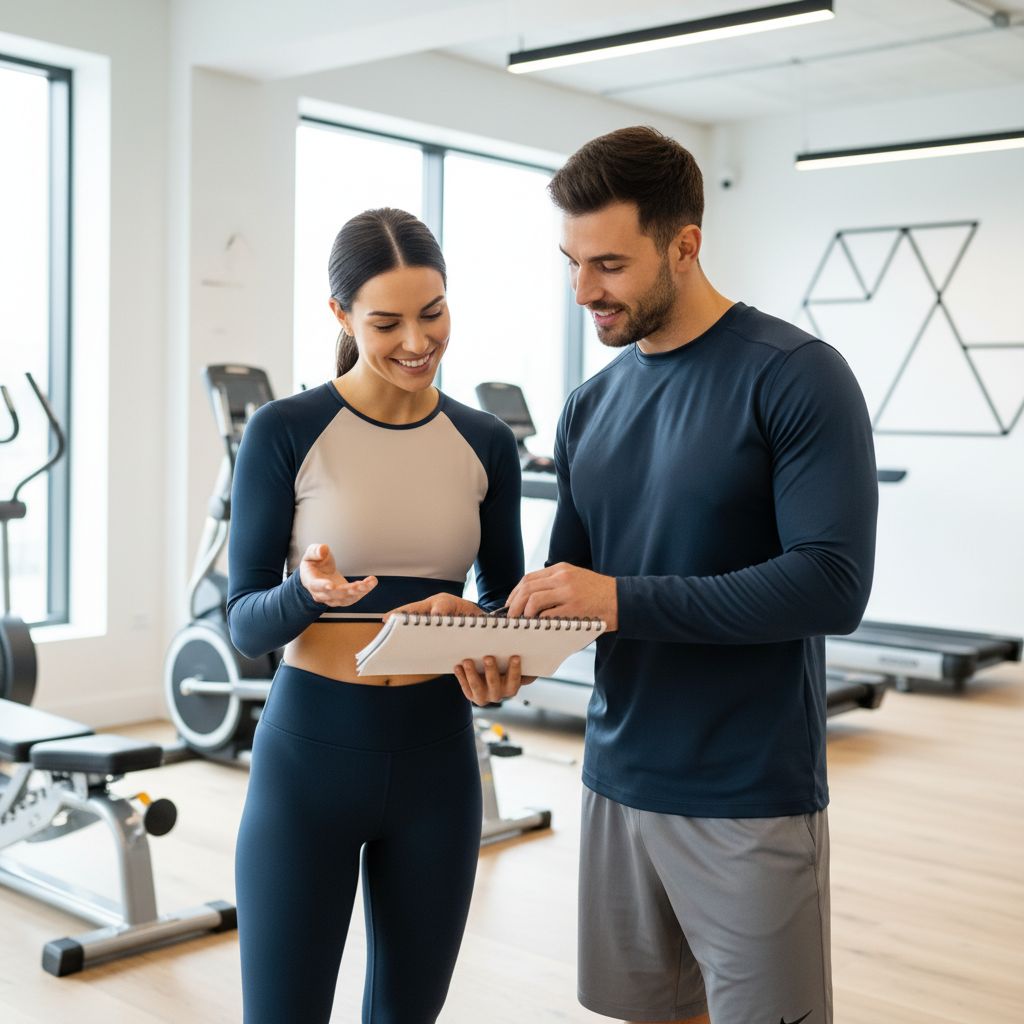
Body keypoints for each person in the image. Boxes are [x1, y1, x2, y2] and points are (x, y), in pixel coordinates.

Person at [504, 127, 878, 1024]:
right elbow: (573, 591)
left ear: (685, 245)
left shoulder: (796, 377)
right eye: (570, 263)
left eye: (609, 264)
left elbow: (833, 584)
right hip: (614, 778)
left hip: (745, 793)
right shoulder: (589, 408)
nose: (583, 291)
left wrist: (620, 601)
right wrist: (493, 645)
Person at [227, 207, 527, 1024]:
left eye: (433, 313)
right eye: (386, 322)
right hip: (310, 760)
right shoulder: (285, 431)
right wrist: (305, 596)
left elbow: (508, 605)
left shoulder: (485, 442)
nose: (417, 341)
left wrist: (486, 641)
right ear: (341, 318)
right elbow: (244, 624)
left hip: (438, 760)